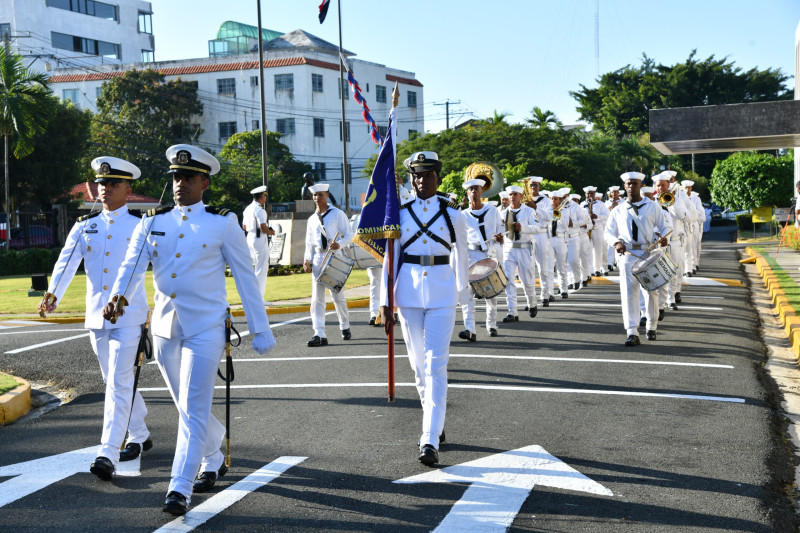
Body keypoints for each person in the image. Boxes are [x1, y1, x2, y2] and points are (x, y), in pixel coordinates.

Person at [103, 144, 276, 516]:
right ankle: (213, 452)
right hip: (166, 327)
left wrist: (260, 329)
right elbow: (131, 265)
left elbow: (246, 278)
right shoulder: (154, 222)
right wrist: (119, 296)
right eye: (176, 177)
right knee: (186, 406)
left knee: (194, 406)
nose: (179, 183)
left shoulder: (222, 222)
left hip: (206, 328)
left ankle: (178, 488)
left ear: (204, 182)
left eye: (188, 177)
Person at [39, 156, 152, 480]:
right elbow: (65, 262)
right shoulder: (84, 226)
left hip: (128, 316)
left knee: (117, 380)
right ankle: (141, 434)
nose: (105, 189)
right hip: (95, 318)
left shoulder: (140, 225)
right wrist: (52, 294)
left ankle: (108, 452)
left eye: (113, 183)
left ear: (128, 188)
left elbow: (140, 269)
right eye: (102, 183)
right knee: (115, 379)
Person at [379, 151, 468, 466]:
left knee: (435, 366)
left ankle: (429, 438)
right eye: (416, 175)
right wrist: (385, 301)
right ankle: (435, 419)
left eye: (427, 175)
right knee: (418, 366)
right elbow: (391, 259)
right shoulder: (400, 213)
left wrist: (463, 293)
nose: (421, 181)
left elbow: (463, 254)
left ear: (438, 178)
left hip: (442, 294)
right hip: (408, 294)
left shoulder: (453, 215)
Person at [604, 171, 670, 346]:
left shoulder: (653, 206)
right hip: (627, 254)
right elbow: (608, 232)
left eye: (634, 183)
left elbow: (664, 227)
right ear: (624, 186)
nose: (631, 186)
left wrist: (664, 238)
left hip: (648, 252)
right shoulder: (618, 210)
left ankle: (651, 326)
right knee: (628, 293)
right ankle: (632, 331)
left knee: (651, 292)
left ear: (641, 185)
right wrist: (616, 242)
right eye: (628, 184)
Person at [303, 183, 353, 346]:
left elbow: (349, 235)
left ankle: (344, 325)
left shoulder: (337, 214)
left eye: (321, 195)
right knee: (317, 299)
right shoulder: (311, 219)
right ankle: (319, 333)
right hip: (318, 259)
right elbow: (309, 242)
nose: (317, 198)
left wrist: (339, 244)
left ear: (327, 195)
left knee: (337, 296)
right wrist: (307, 260)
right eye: (315, 195)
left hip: (334, 256)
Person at [458, 177, 504, 340]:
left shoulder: (492, 211)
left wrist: (500, 238)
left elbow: (502, 229)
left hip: (488, 253)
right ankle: (470, 329)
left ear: (482, 191)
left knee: (490, 292)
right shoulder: (462, 215)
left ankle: (491, 324)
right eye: (471, 190)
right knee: (468, 293)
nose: (474, 193)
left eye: (477, 189)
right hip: (471, 255)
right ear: (467, 193)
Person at [500, 185, 538, 321]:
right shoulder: (503, 212)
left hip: (524, 248)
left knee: (526, 281)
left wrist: (523, 227)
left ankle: (532, 303)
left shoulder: (528, 211)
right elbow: (500, 230)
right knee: (509, 280)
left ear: (521, 196)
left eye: (515, 194)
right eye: (510, 195)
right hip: (509, 249)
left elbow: (537, 228)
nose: (512, 197)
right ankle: (512, 311)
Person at [653, 173, 686, 313]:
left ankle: (671, 299)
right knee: (658, 272)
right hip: (657, 243)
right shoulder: (651, 201)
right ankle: (659, 302)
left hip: (674, 242)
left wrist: (670, 203)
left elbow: (682, 216)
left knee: (672, 271)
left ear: (668, 186)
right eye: (658, 185)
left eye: (663, 185)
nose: (661, 188)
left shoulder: (676, 200)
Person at [523, 177, 554, 306]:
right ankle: (531, 300)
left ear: (539, 187)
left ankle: (545, 295)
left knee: (542, 267)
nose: (532, 188)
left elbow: (549, 217)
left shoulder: (545, 200)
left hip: (541, 234)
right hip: (528, 234)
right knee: (528, 268)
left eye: (535, 185)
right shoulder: (523, 200)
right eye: (530, 186)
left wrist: (535, 207)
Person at [242, 185, 274, 303]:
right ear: (262, 197)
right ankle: (259, 298)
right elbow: (263, 227)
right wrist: (271, 232)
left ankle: (252, 296)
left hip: (249, 238)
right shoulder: (260, 210)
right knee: (261, 268)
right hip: (259, 238)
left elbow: (244, 227)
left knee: (253, 268)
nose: (265, 198)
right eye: (265, 196)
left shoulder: (247, 209)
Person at [581, 186, 609, 276]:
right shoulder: (581, 205)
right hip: (586, 230)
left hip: (597, 229)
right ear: (585, 194)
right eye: (588, 193)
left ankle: (597, 268)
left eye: (592, 193)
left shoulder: (601, 204)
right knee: (587, 249)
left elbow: (607, 216)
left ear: (594, 194)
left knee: (598, 250)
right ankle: (590, 269)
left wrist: (597, 217)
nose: (590, 195)